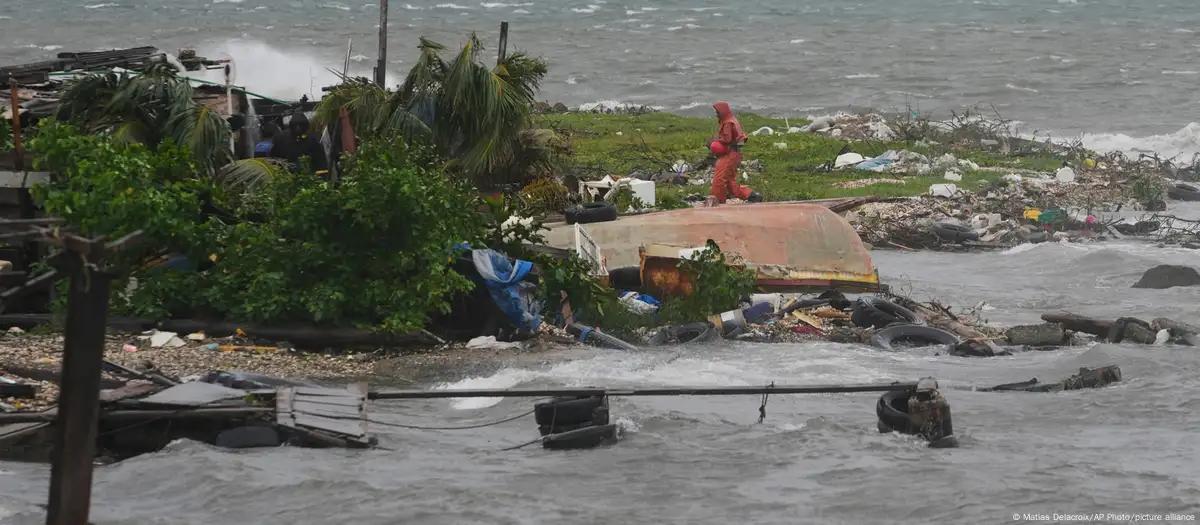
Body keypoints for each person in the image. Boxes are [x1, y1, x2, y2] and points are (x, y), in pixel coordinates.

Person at [709, 101, 762, 204]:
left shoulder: (728, 122)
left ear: (722, 111)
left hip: (729, 154)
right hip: (734, 153)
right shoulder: (731, 119)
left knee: (719, 178)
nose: (716, 114)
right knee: (729, 180)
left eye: (717, 112)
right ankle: (751, 195)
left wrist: (715, 141)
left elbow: (727, 139)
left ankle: (717, 201)